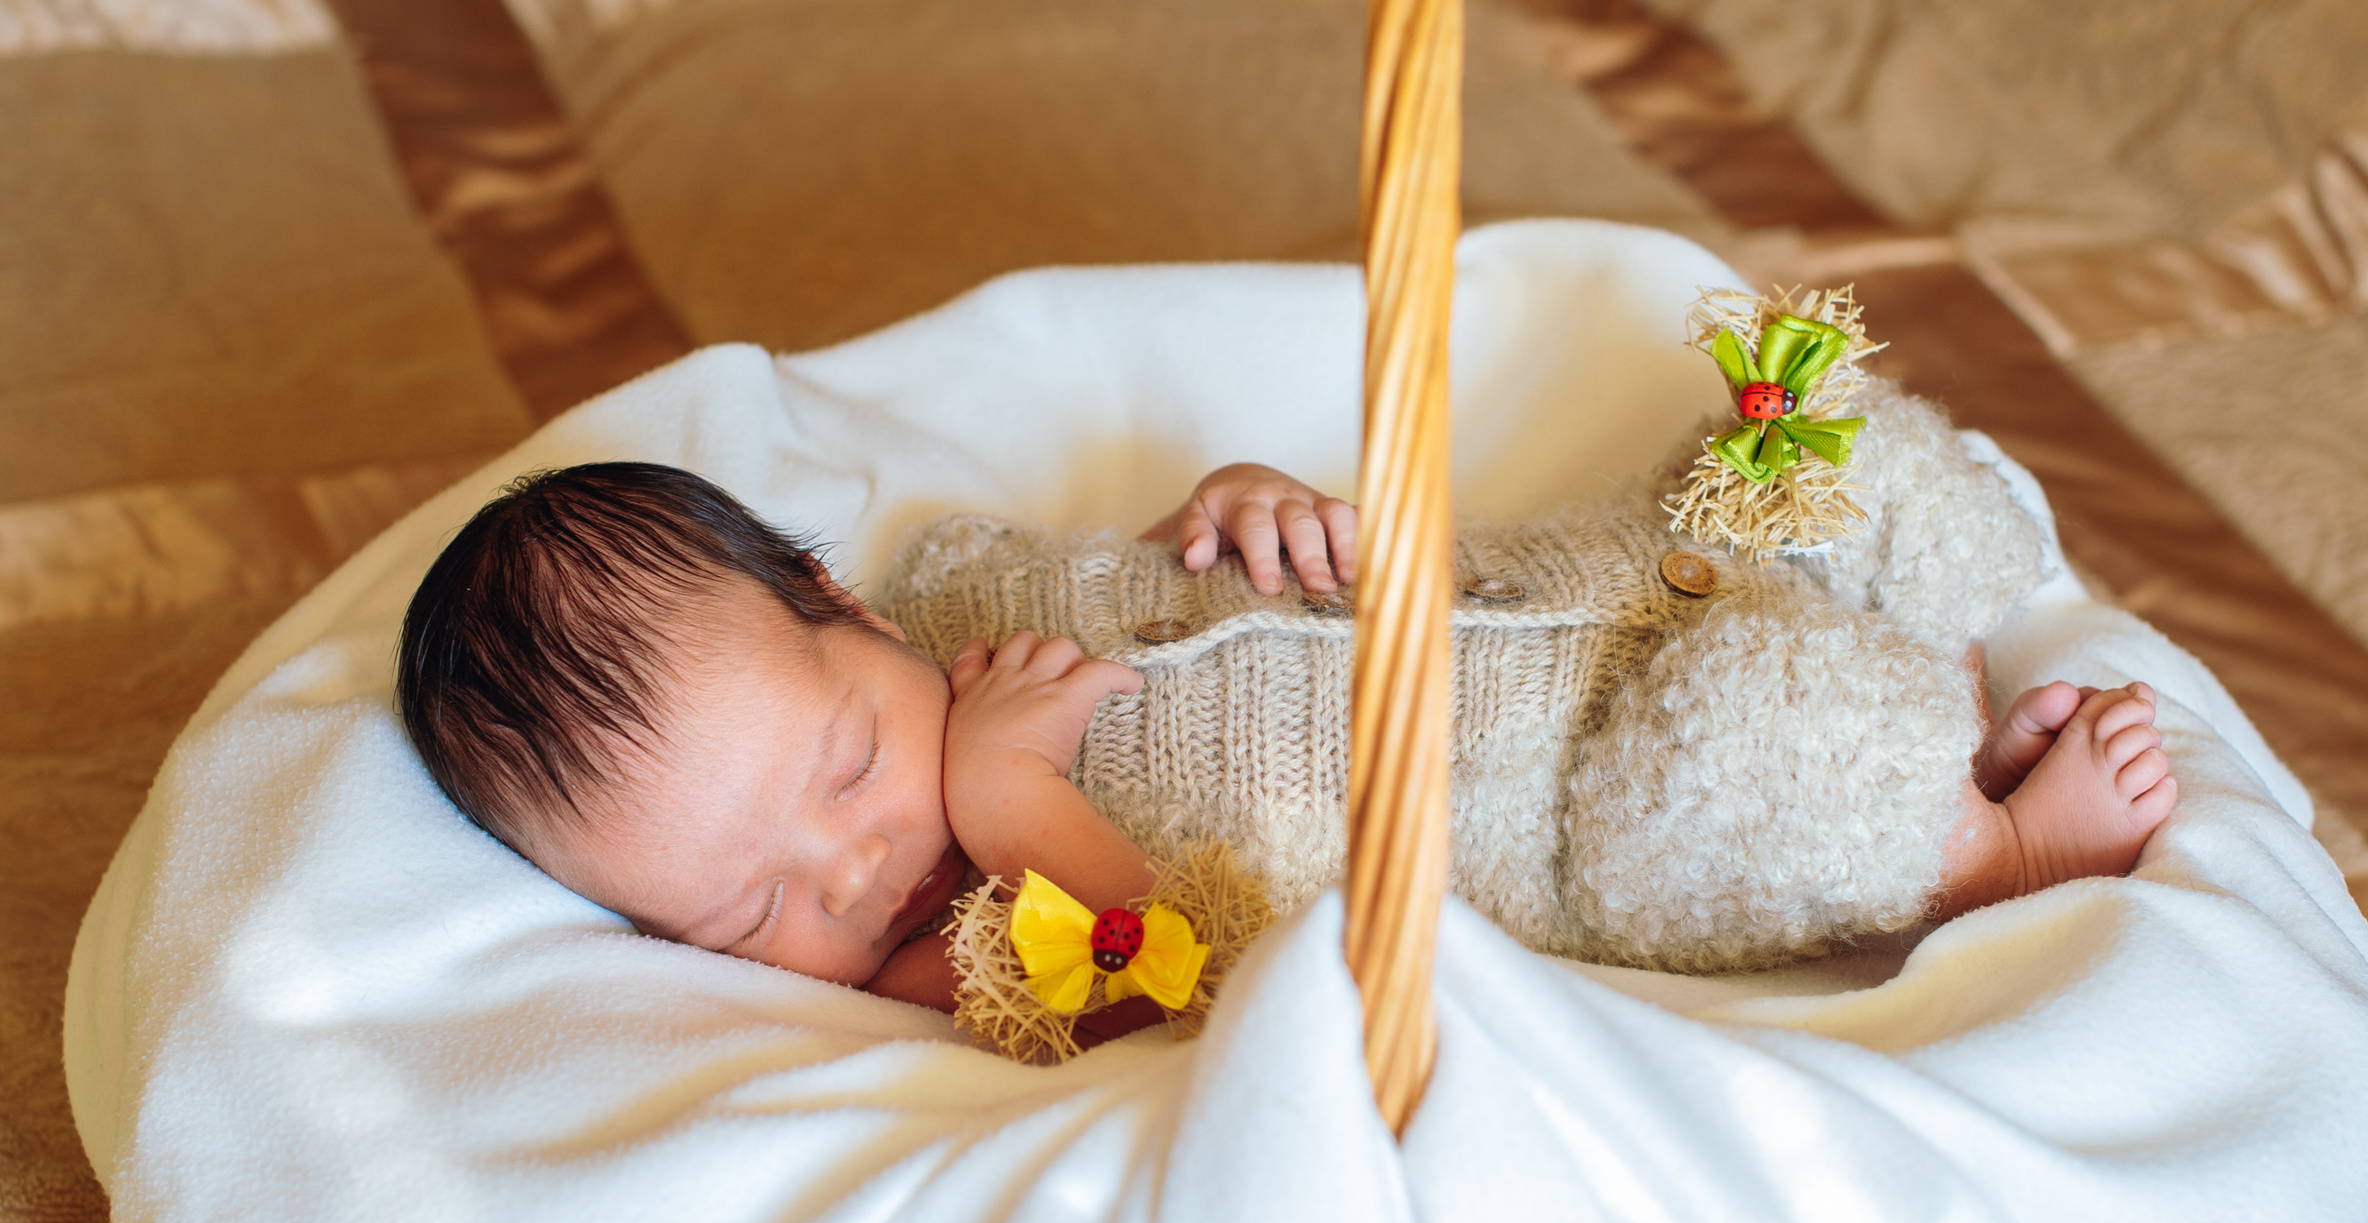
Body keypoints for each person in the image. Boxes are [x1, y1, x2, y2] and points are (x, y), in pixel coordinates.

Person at [395, 460, 2174, 1023]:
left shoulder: (965, 605)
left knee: (1802, 458)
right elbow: (1186, 977)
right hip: (1581, 799)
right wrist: (1008, 795)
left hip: (1552, 590)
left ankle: (1913, 641)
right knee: (1759, 763)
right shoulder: (958, 959)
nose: (854, 873)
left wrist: (1238, 507)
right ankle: (1983, 850)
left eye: (846, 768)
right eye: (751, 916)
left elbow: (1145, 578)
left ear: (837, 602)